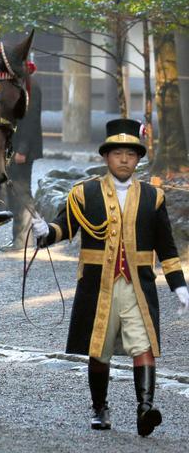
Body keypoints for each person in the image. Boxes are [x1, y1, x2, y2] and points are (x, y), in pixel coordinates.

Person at [32, 118, 189, 435]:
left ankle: (145, 409)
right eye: (117, 153)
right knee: (98, 350)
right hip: (97, 287)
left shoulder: (152, 197)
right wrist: (45, 232)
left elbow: (167, 247)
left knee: (143, 345)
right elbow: (65, 227)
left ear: (138, 158)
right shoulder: (83, 194)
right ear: (106, 157)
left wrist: (180, 286)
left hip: (138, 288)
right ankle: (100, 408)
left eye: (130, 154)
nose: (124, 159)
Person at [0, 64, 43, 251]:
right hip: (13, 147)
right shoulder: (18, 85)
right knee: (14, 192)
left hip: (22, 149)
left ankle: (24, 239)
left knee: (21, 192)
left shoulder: (31, 87)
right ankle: (19, 237)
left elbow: (30, 120)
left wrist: (22, 149)